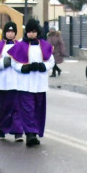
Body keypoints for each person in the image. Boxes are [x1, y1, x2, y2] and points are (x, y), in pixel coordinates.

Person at [6, 18, 53, 146]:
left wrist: (44, 66)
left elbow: (50, 61)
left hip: (39, 84)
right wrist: (23, 68)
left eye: (33, 31)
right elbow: (14, 63)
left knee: (38, 109)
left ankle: (36, 132)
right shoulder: (20, 45)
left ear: (37, 32)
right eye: (29, 32)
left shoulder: (44, 45)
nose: (31, 34)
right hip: (25, 84)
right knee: (27, 109)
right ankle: (30, 133)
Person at [0, 21, 21, 139]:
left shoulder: (19, 46)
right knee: (1, 109)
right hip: (0, 83)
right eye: (8, 32)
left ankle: (17, 132)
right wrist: (3, 63)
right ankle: (2, 129)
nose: (10, 34)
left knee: (16, 108)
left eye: (12, 32)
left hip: (15, 83)